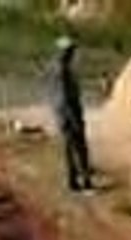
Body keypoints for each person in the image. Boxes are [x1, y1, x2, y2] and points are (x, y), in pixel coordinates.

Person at [48, 36, 93, 192]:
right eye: (69, 51)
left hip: (63, 113)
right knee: (78, 148)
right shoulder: (62, 71)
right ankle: (83, 180)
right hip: (68, 113)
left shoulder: (58, 67)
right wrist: (73, 118)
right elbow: (64, 97)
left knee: (70, 148)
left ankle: (74, 180)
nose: (71, 54)